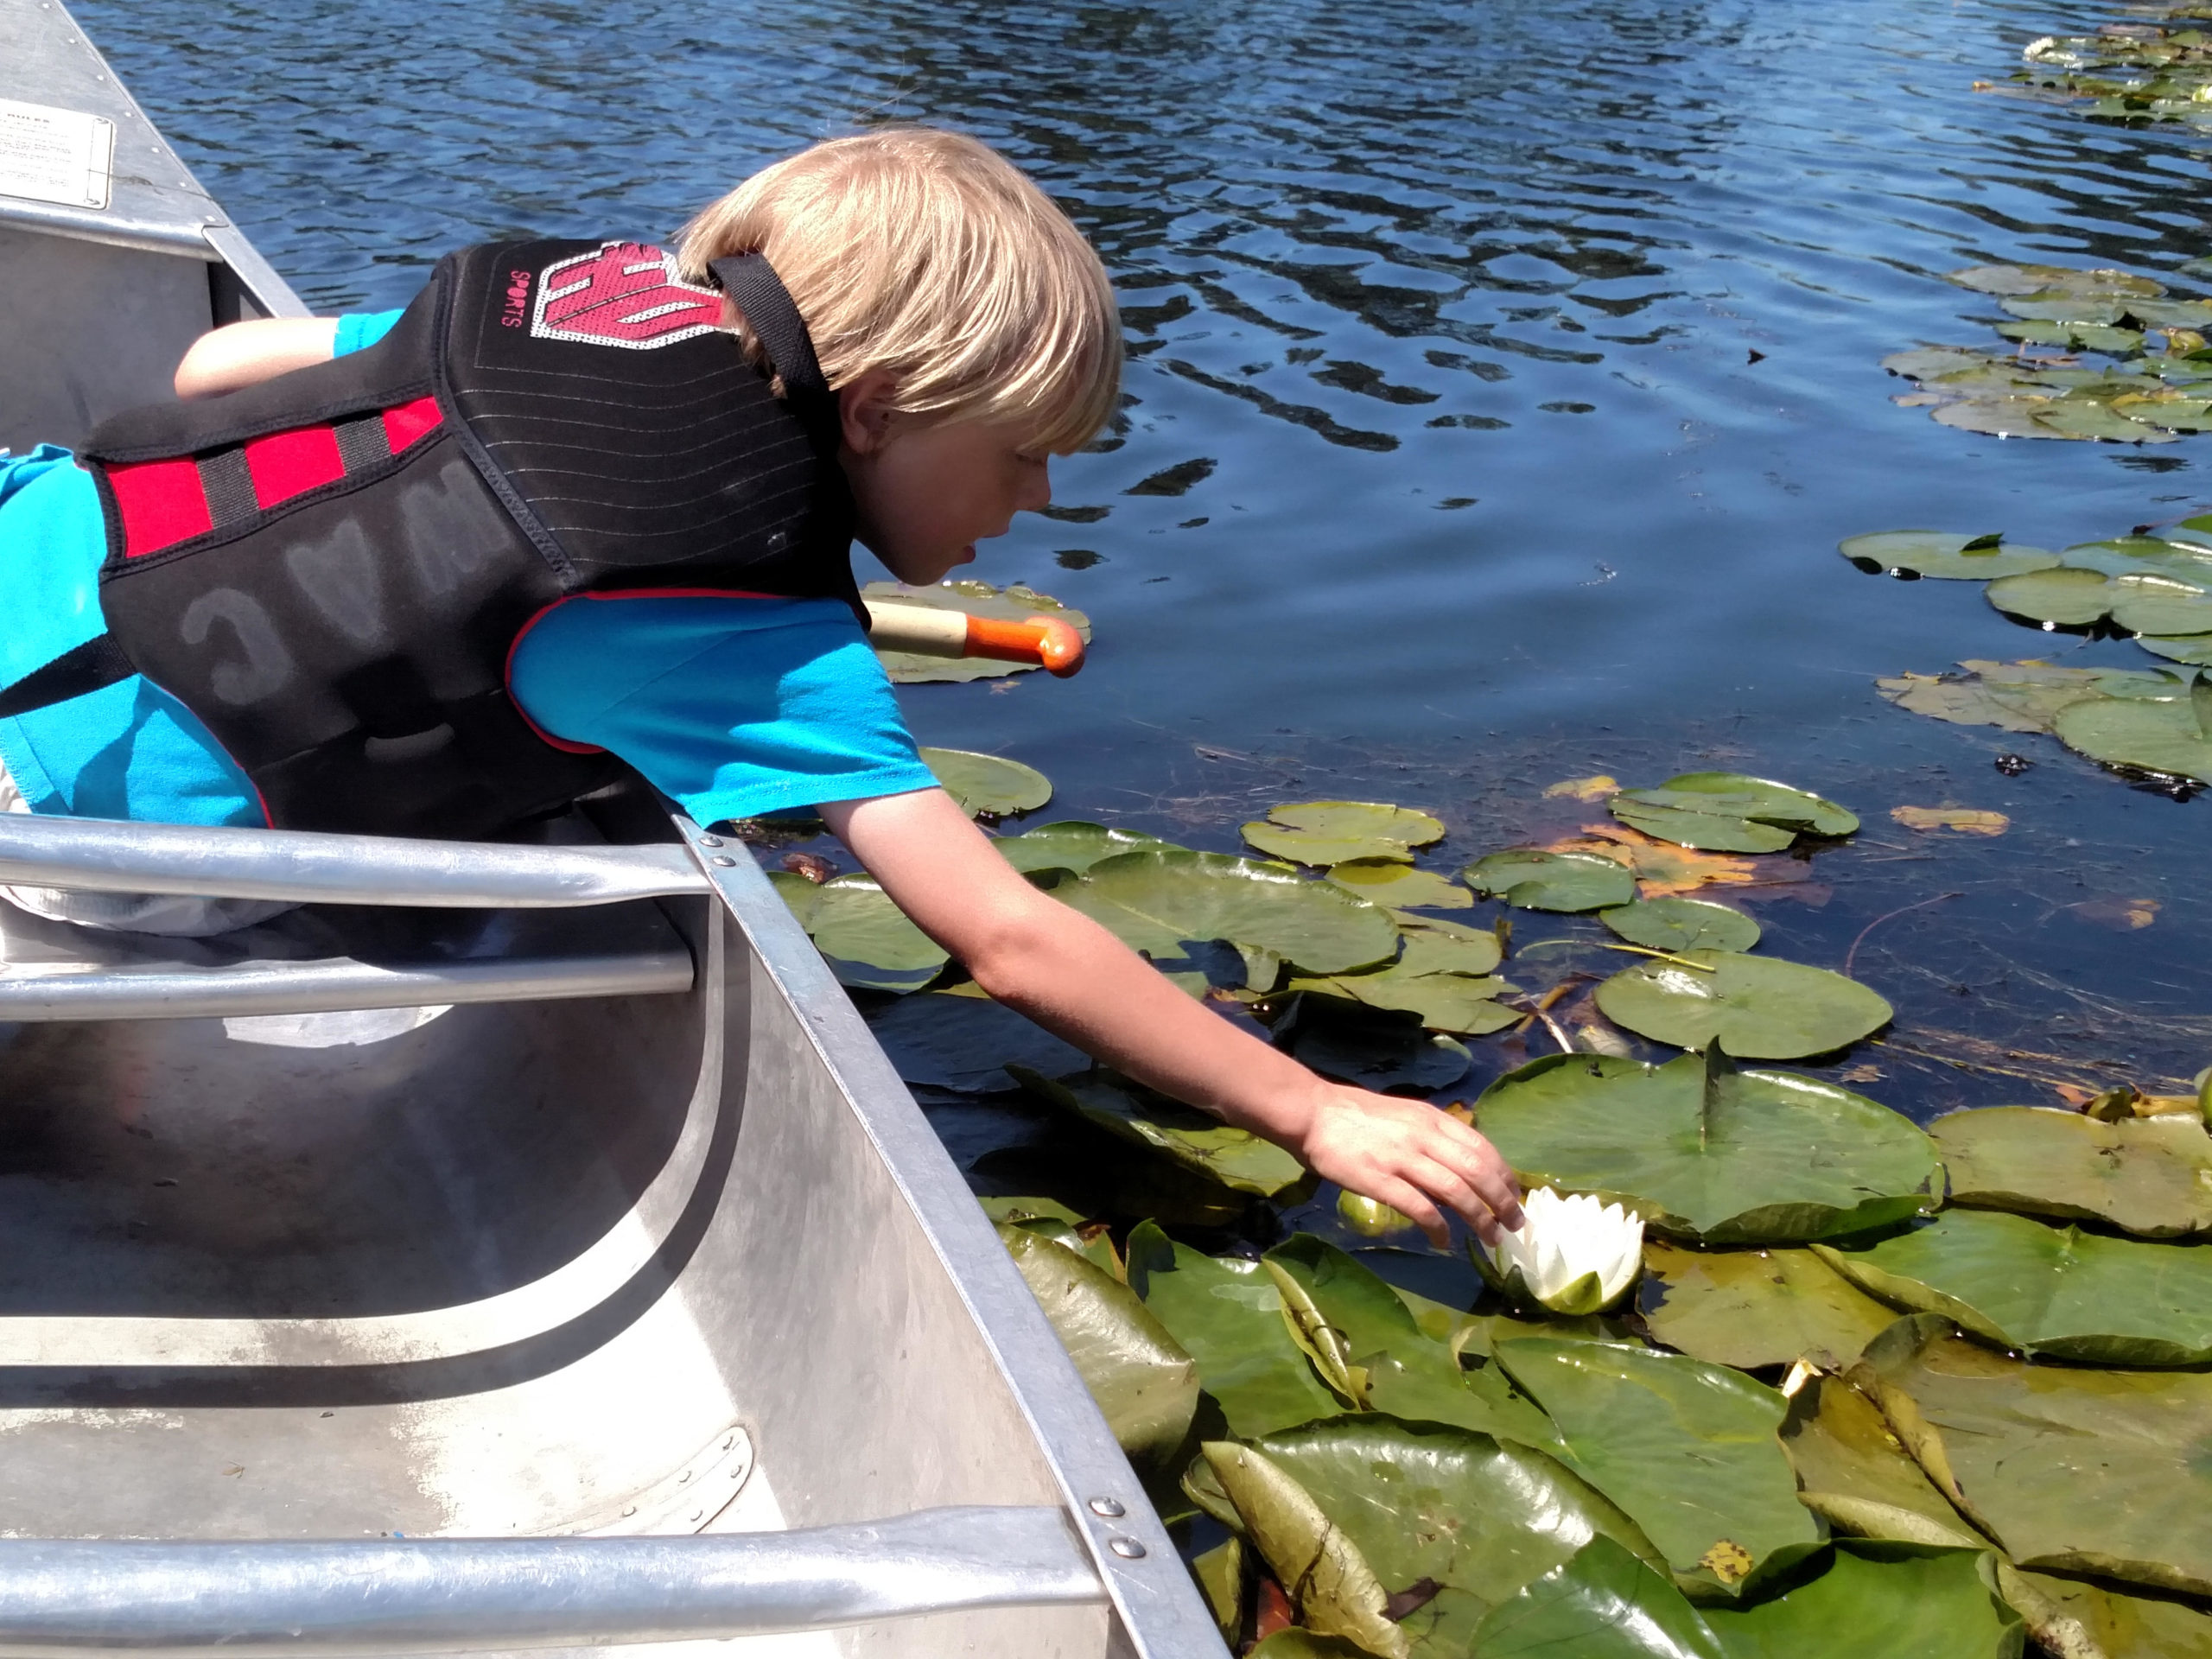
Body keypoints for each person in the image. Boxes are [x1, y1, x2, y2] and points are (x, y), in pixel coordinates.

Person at [0, 126, 1522, 1248]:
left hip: (30, 542)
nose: (1043, 497)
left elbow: (214, 386)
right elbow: (1005, 939)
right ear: (870, 414)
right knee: (549, 820)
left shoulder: (575, 305)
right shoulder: (756, 633)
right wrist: (1315, 1107)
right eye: (1016, 453)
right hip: (72, 833)